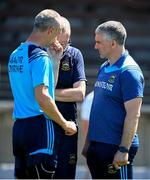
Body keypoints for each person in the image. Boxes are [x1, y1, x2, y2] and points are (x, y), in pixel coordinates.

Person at [8, 9, 77, 179]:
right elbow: (43, 97)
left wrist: (55, 61)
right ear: (50, 31)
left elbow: (40, 90)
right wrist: (64, 124)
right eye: (56, 34)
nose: (56, 40)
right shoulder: (40, 57)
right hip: (39, 128)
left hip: (19, 129)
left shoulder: (15, 54)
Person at [82, 21, 144, 179]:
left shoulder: (129, 72)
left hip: (115, 149)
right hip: (97, 146)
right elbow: (98, 107)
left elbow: (133, 115)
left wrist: (123, 150)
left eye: (98, 42)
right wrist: (89, 141)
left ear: (113, 43)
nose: (95, 46)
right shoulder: (104, 67)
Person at [53, 16, 86, 179]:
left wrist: (47, 95)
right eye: (63, 41)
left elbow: (80, 93)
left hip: (68, 128)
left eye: (68, 41)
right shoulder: (39, 55)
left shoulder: (75, 55)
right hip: (43, 125)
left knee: (66, 175)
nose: (65, 46)